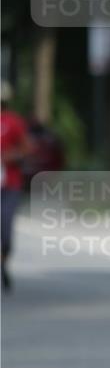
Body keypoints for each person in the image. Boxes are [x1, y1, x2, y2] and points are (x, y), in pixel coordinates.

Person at [1, 81, 33, 291]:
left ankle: (3, 261)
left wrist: (11, 156)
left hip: (9, 184)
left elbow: (26, 148)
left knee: (5, 227)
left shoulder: (13, 122)